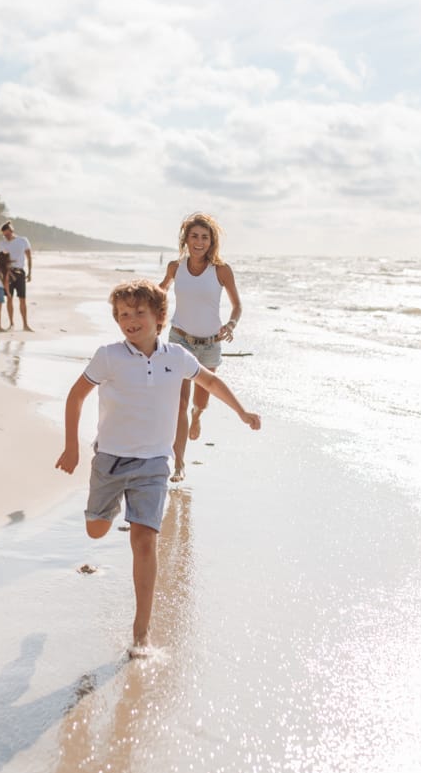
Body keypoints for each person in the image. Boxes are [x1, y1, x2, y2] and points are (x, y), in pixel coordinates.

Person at [55, 279, 260, 655]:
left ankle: (141, 631)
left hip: (154, 464)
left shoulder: (176, 357)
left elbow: (211, 382)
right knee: (96, 530)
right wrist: (71, 446)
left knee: (145, 541)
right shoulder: (108, 356)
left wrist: (242, 412)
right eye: (123, 315)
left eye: (138, 313)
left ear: (159, 317)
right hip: (110, 459)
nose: (130, 320)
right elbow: (76, 395)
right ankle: (112, 507)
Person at [158, 212, 242, 483]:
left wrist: (231, 325)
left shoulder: (221, 270)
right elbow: (160, 291)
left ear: (211, 241)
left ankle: (198, 415)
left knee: (199, 402)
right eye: (194, 236)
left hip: (210, 345)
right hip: (180, 340)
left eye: (205, 237)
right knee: (179, 403)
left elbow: (237, 306)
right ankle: (179, 463)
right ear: (186, 239)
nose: (199, 242)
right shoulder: (175, 267)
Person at [0, 221, 33, 331]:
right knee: (9, 298)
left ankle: (25, 325)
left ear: (12, 231)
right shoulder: (2, 244)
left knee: (22, 299)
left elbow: (29, 257)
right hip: (8, 273)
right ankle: (11, 324)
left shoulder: (23, 240)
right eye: (4, 235)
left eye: (7, 234)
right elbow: (1, 260)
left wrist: (30, 273)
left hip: (20, 273)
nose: (6, 237)